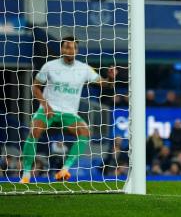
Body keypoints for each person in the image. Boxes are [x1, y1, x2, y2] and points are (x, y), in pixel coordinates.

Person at [20, 36, 116, 183]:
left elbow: (106, 85)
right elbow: (35, 87)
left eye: (73, 48)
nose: (70, 50)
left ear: (77, 50)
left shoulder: (83, 68)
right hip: (48, 110)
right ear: (61, 49)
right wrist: (45, 105)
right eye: (67, 47)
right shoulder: (49, 66)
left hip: (69, 114)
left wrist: (111, 78)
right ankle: (26, 174)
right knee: (35, 130)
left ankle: (64, 170)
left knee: (85, 132)